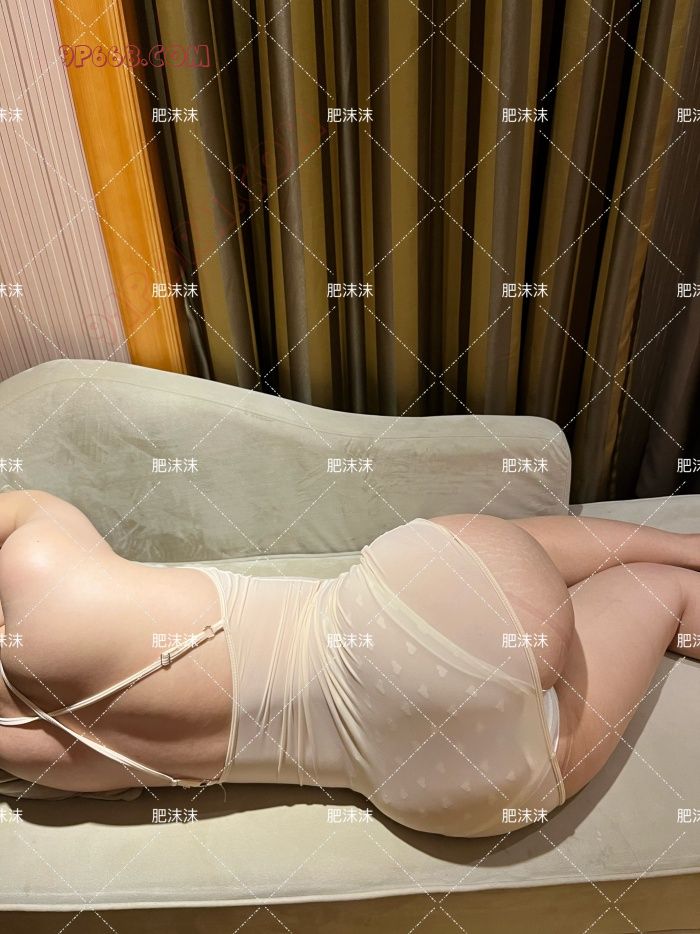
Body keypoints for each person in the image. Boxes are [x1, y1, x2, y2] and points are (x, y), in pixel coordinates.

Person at [0, 488, 698, 837]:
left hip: (435, 781)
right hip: (422, 621)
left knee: (661, 596)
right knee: (510, 555)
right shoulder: (38, 569)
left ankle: (678, 581)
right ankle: (687, 545)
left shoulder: (24, 761)